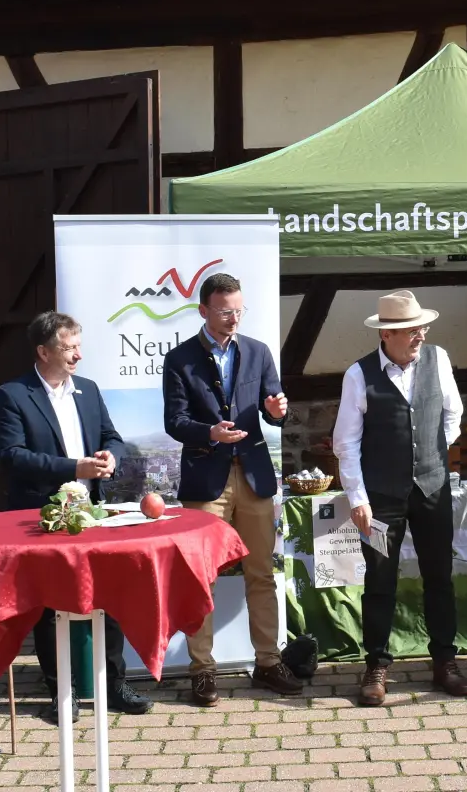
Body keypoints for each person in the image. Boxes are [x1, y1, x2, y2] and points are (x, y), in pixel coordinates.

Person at [0, 310, 151, 719]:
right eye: (69, 348)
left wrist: (108, 457)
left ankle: (114, 685)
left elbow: (112, 438)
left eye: (80, 346)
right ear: (43, 350)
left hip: (92, 510)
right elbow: (11, 457)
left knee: (109, 597)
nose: (78, 356)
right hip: (40, 516)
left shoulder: (89, 389)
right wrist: (72, 468)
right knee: (50, 606)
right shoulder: (12, 394)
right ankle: (61, 693)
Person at [163, 273, 303, 706]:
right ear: (204, 311)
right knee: (201, 578)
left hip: (256, 476)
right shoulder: (180, 358)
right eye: (225, 311)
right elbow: (175, 421)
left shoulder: (259, 352)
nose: (233, 318)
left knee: (261, 573)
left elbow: (274, 408)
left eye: (239, 310)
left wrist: (278, 410)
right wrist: (210, 432)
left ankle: (267, 662)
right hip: (207, 481)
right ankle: (202, 671)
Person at [333, 290, 467, 707]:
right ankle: (376, 665)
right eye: (412, 329)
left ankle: (444, 661)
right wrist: (357, 498)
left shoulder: (438, 359)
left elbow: (454, 414)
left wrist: (431, 451)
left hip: (432, 490)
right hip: (380, 499)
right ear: (388, 333)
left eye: (422, 327)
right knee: (379, 580)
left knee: (439, 576)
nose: (420, 334)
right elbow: (345, 442)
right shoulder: (358, 375)